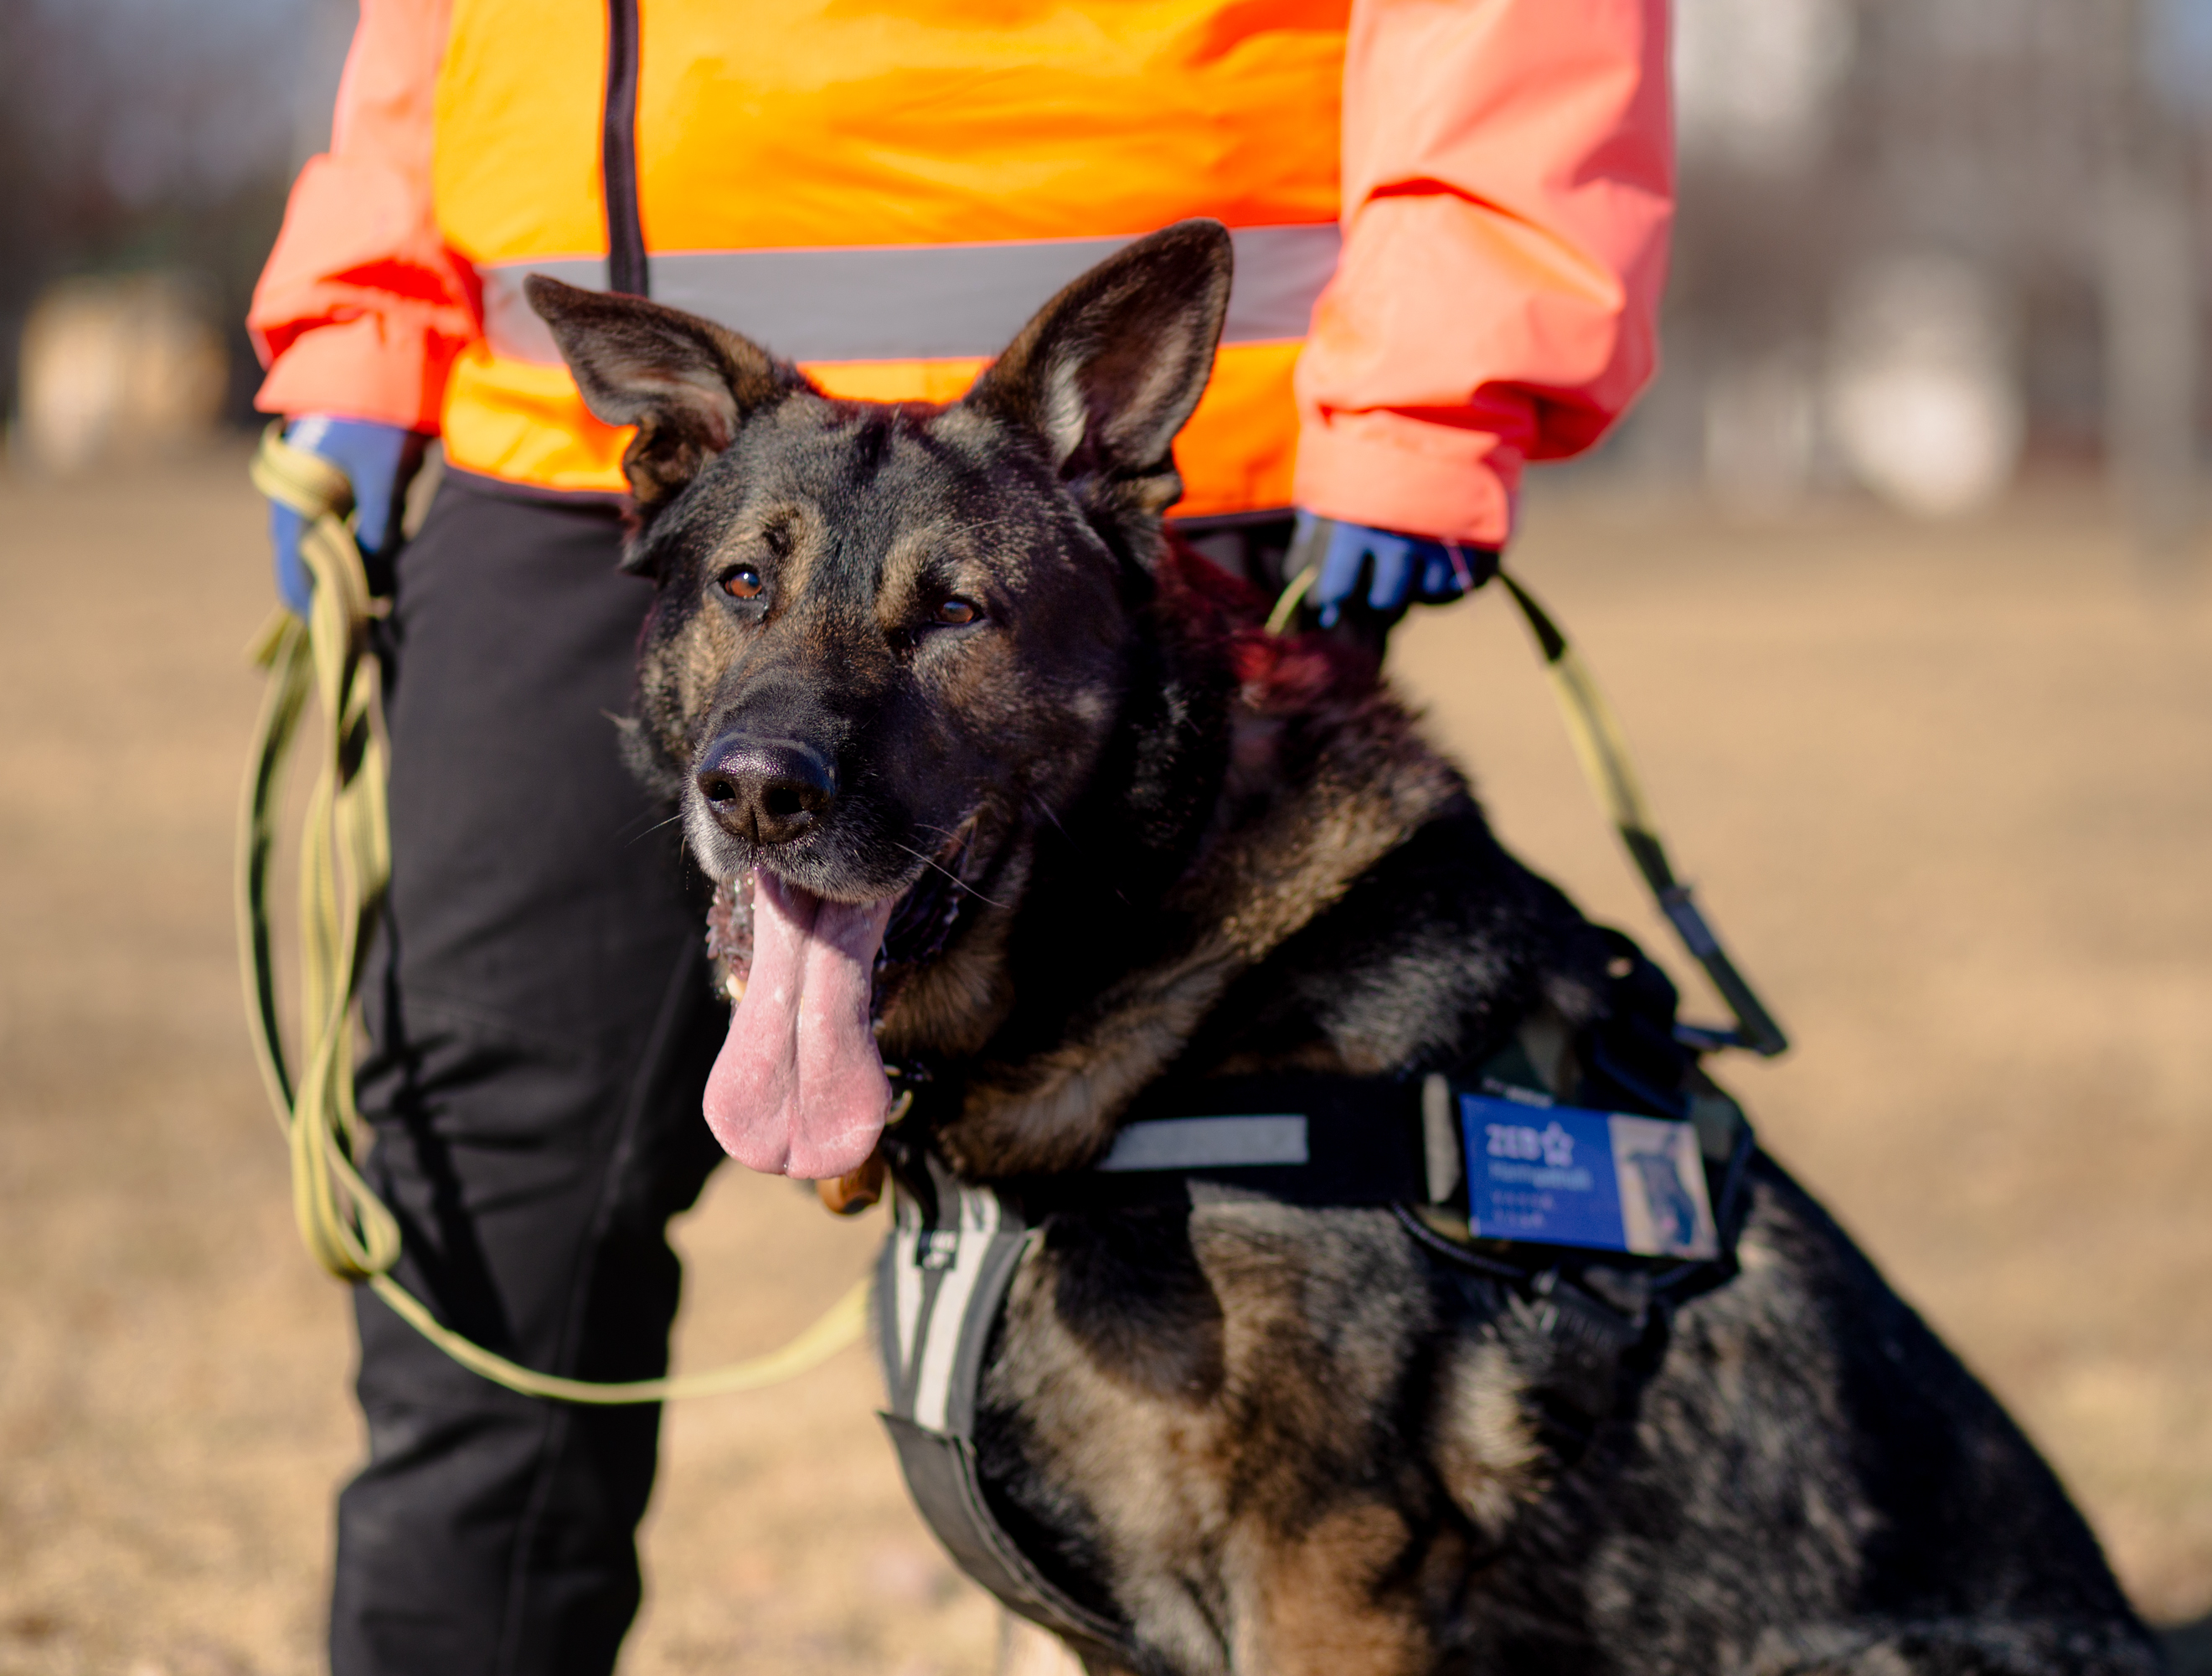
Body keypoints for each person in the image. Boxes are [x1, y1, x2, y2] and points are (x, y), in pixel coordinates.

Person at [247, 2, 1672, 1670]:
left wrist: (1445, 367)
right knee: (478, 1197)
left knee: (1225, 1349)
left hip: (1131, 455)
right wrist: (369, 302)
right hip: (581, 424)